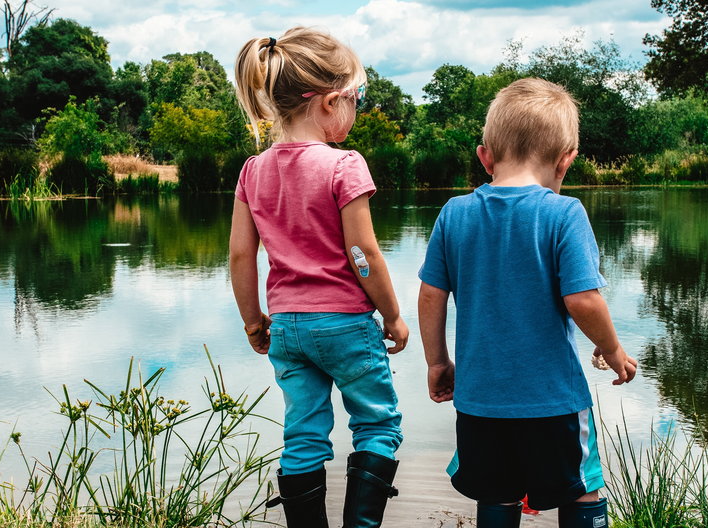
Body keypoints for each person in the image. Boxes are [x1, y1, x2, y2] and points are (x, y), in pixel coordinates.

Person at [417, 78, 638, 528]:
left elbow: (430, 295)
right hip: (552, 402)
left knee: (497, 496)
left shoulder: (454, 213)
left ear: (485, 156)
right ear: (566, 160)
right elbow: (583, 299)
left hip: (479, 403)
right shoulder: (563, 213)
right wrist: (612, 350)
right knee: (582, 489)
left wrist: (437, 363)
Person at [229, 26, 409, 528]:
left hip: (287, 327)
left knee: (303, 434)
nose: (358, 108)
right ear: (330, 102)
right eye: (358, 98)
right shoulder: (344, 166)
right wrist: (392, 315)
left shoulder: (253, 171)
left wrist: (252, 321)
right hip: (347, 325)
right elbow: (362, 251)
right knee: (377, 425)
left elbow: (242, 257)